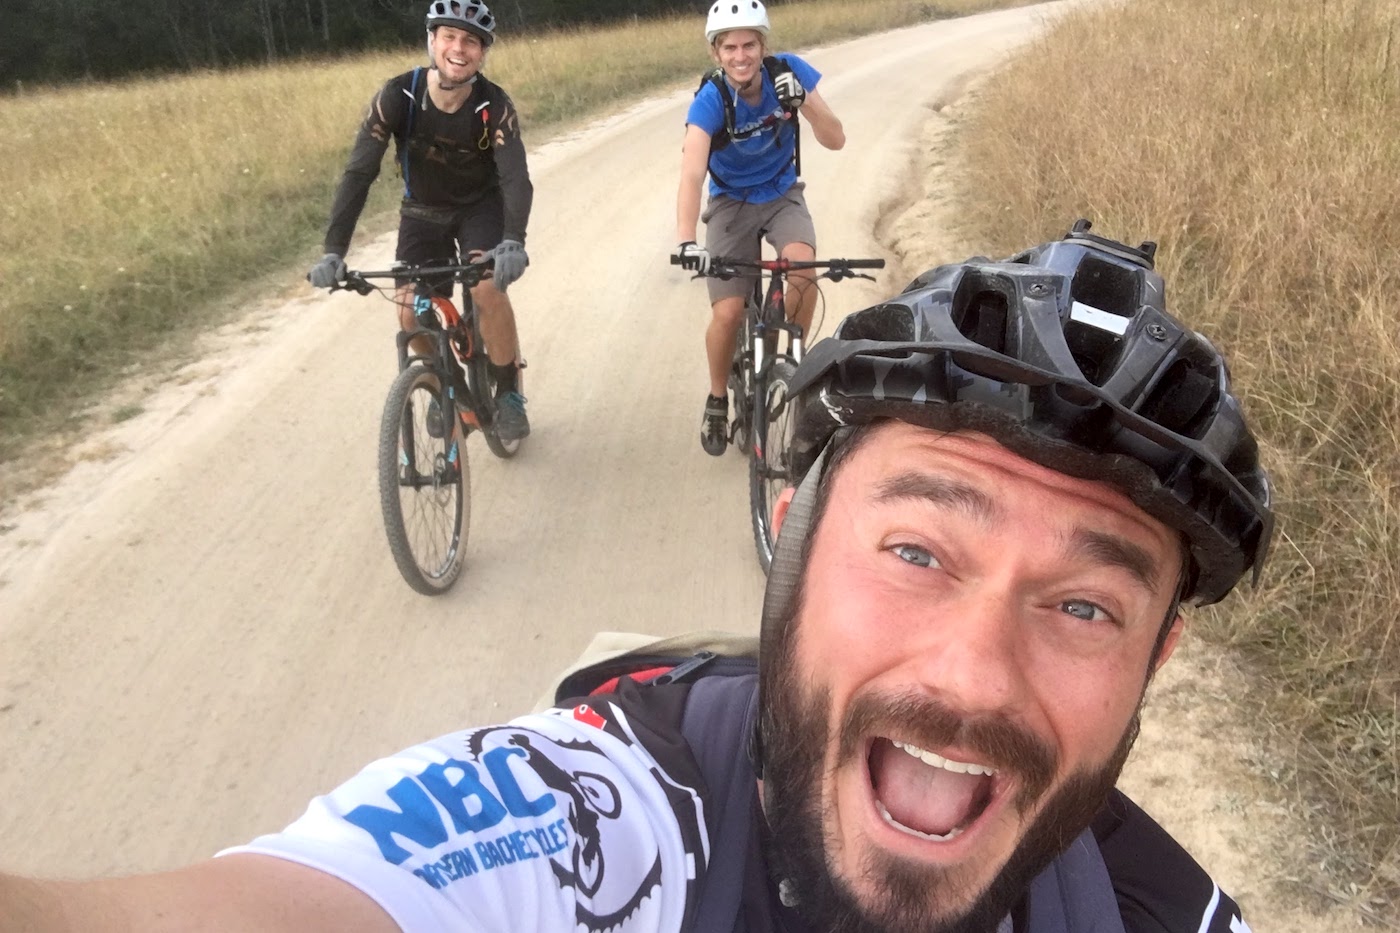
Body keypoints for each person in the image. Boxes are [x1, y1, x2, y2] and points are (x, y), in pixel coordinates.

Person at [0, 225, 1271, 932]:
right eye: (914, 551)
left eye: (1084, 607)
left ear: (1152, 658)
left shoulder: (1156, 911)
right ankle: (695, 391)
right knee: (725, 306)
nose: (973, 676)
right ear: (788, 532)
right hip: (652, 227)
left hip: (770, 218)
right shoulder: (584, 824)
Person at [308, 0, 533, 441]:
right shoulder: (398, 96)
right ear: (432, 40)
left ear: (482, 52)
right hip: (422, 212)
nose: (459, 48)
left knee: (487, 288)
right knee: (410, 313)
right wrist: (333, 250)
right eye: (449, 36)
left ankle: (507, 391)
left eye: (471, 41)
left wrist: (513, 239)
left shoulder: (493, 105)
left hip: (480, 208)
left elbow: (514, 177)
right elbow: (359, 173)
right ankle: (447, 386)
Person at [673, 0, 846, 456]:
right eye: (730, 48)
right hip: (730, 203)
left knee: (803, 268)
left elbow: (836, 138)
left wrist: (803, 102)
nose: (741, 56)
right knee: (728, 312)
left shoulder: (789, 73)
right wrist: (687, 240)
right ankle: (717, 397)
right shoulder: (711, 99)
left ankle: (788, 359)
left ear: (763, 46)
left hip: (782, 193)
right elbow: (691, 173)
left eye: (749, 45)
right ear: (716, 53)